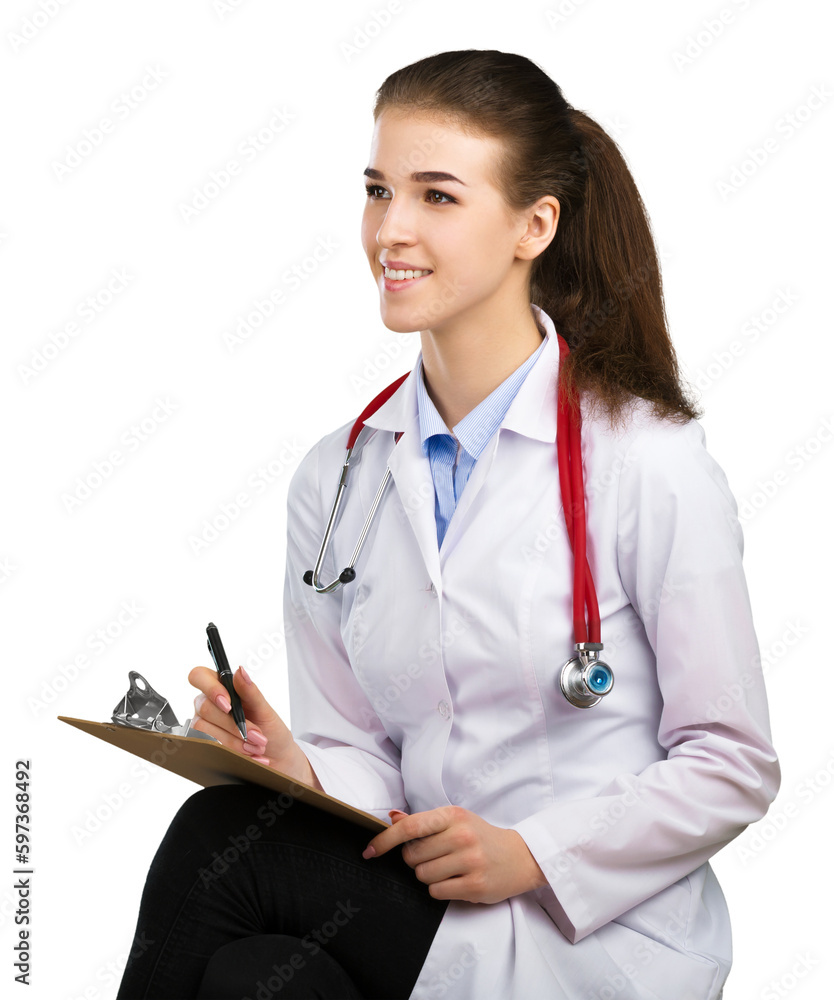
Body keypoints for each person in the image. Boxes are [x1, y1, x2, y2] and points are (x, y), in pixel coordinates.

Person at [117, 49, 780, 999]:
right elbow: (365, 755)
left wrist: (535, 854)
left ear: (533, 225)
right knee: (258, 977)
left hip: (600, 943)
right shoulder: (337, 476)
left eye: (437, 197)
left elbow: (733, 763)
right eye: (378, 190)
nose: (390, 230)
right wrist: (289, 763)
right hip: (419, 912)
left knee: (222, 847)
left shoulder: (647, 461)